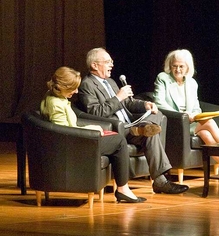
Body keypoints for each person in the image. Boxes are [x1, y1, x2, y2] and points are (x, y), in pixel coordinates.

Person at [77, 47, 189, 194]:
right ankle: (160, 179)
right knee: (149, 131)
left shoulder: (110, 81)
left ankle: (160, 180)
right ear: (94, 65)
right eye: (107, 62)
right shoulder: (87, 84)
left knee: (155, 121)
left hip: (129, 123)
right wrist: (118, 97)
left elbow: (128, 103)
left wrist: (144, 105)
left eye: (111, 61)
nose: (111, 65)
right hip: (114, 128)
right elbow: (96, 112)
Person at [40, 66, 146, 203]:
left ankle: (121, 187)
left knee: (114, 137)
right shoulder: (55, 104)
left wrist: (93, 128)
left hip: (76, 138)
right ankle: (123, 189)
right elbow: (64, 133)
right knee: (119, 141)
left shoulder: (54, 96)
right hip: (72, 144)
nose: (77, 91)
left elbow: (70, 127)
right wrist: (91, 132)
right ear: (63, 86)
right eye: (74, 87)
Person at [153, 49, 219, 172]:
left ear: (187, 67)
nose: (178, 70)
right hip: (173, 122)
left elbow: (196, 107)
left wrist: (195, 115)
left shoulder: (191, 83)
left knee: (206, 134)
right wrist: (183, 115)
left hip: (190, 121)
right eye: (174, 66)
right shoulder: (163, 78)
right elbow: (159, 103)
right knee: (209, 122)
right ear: (170, 65)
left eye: (181, 66)